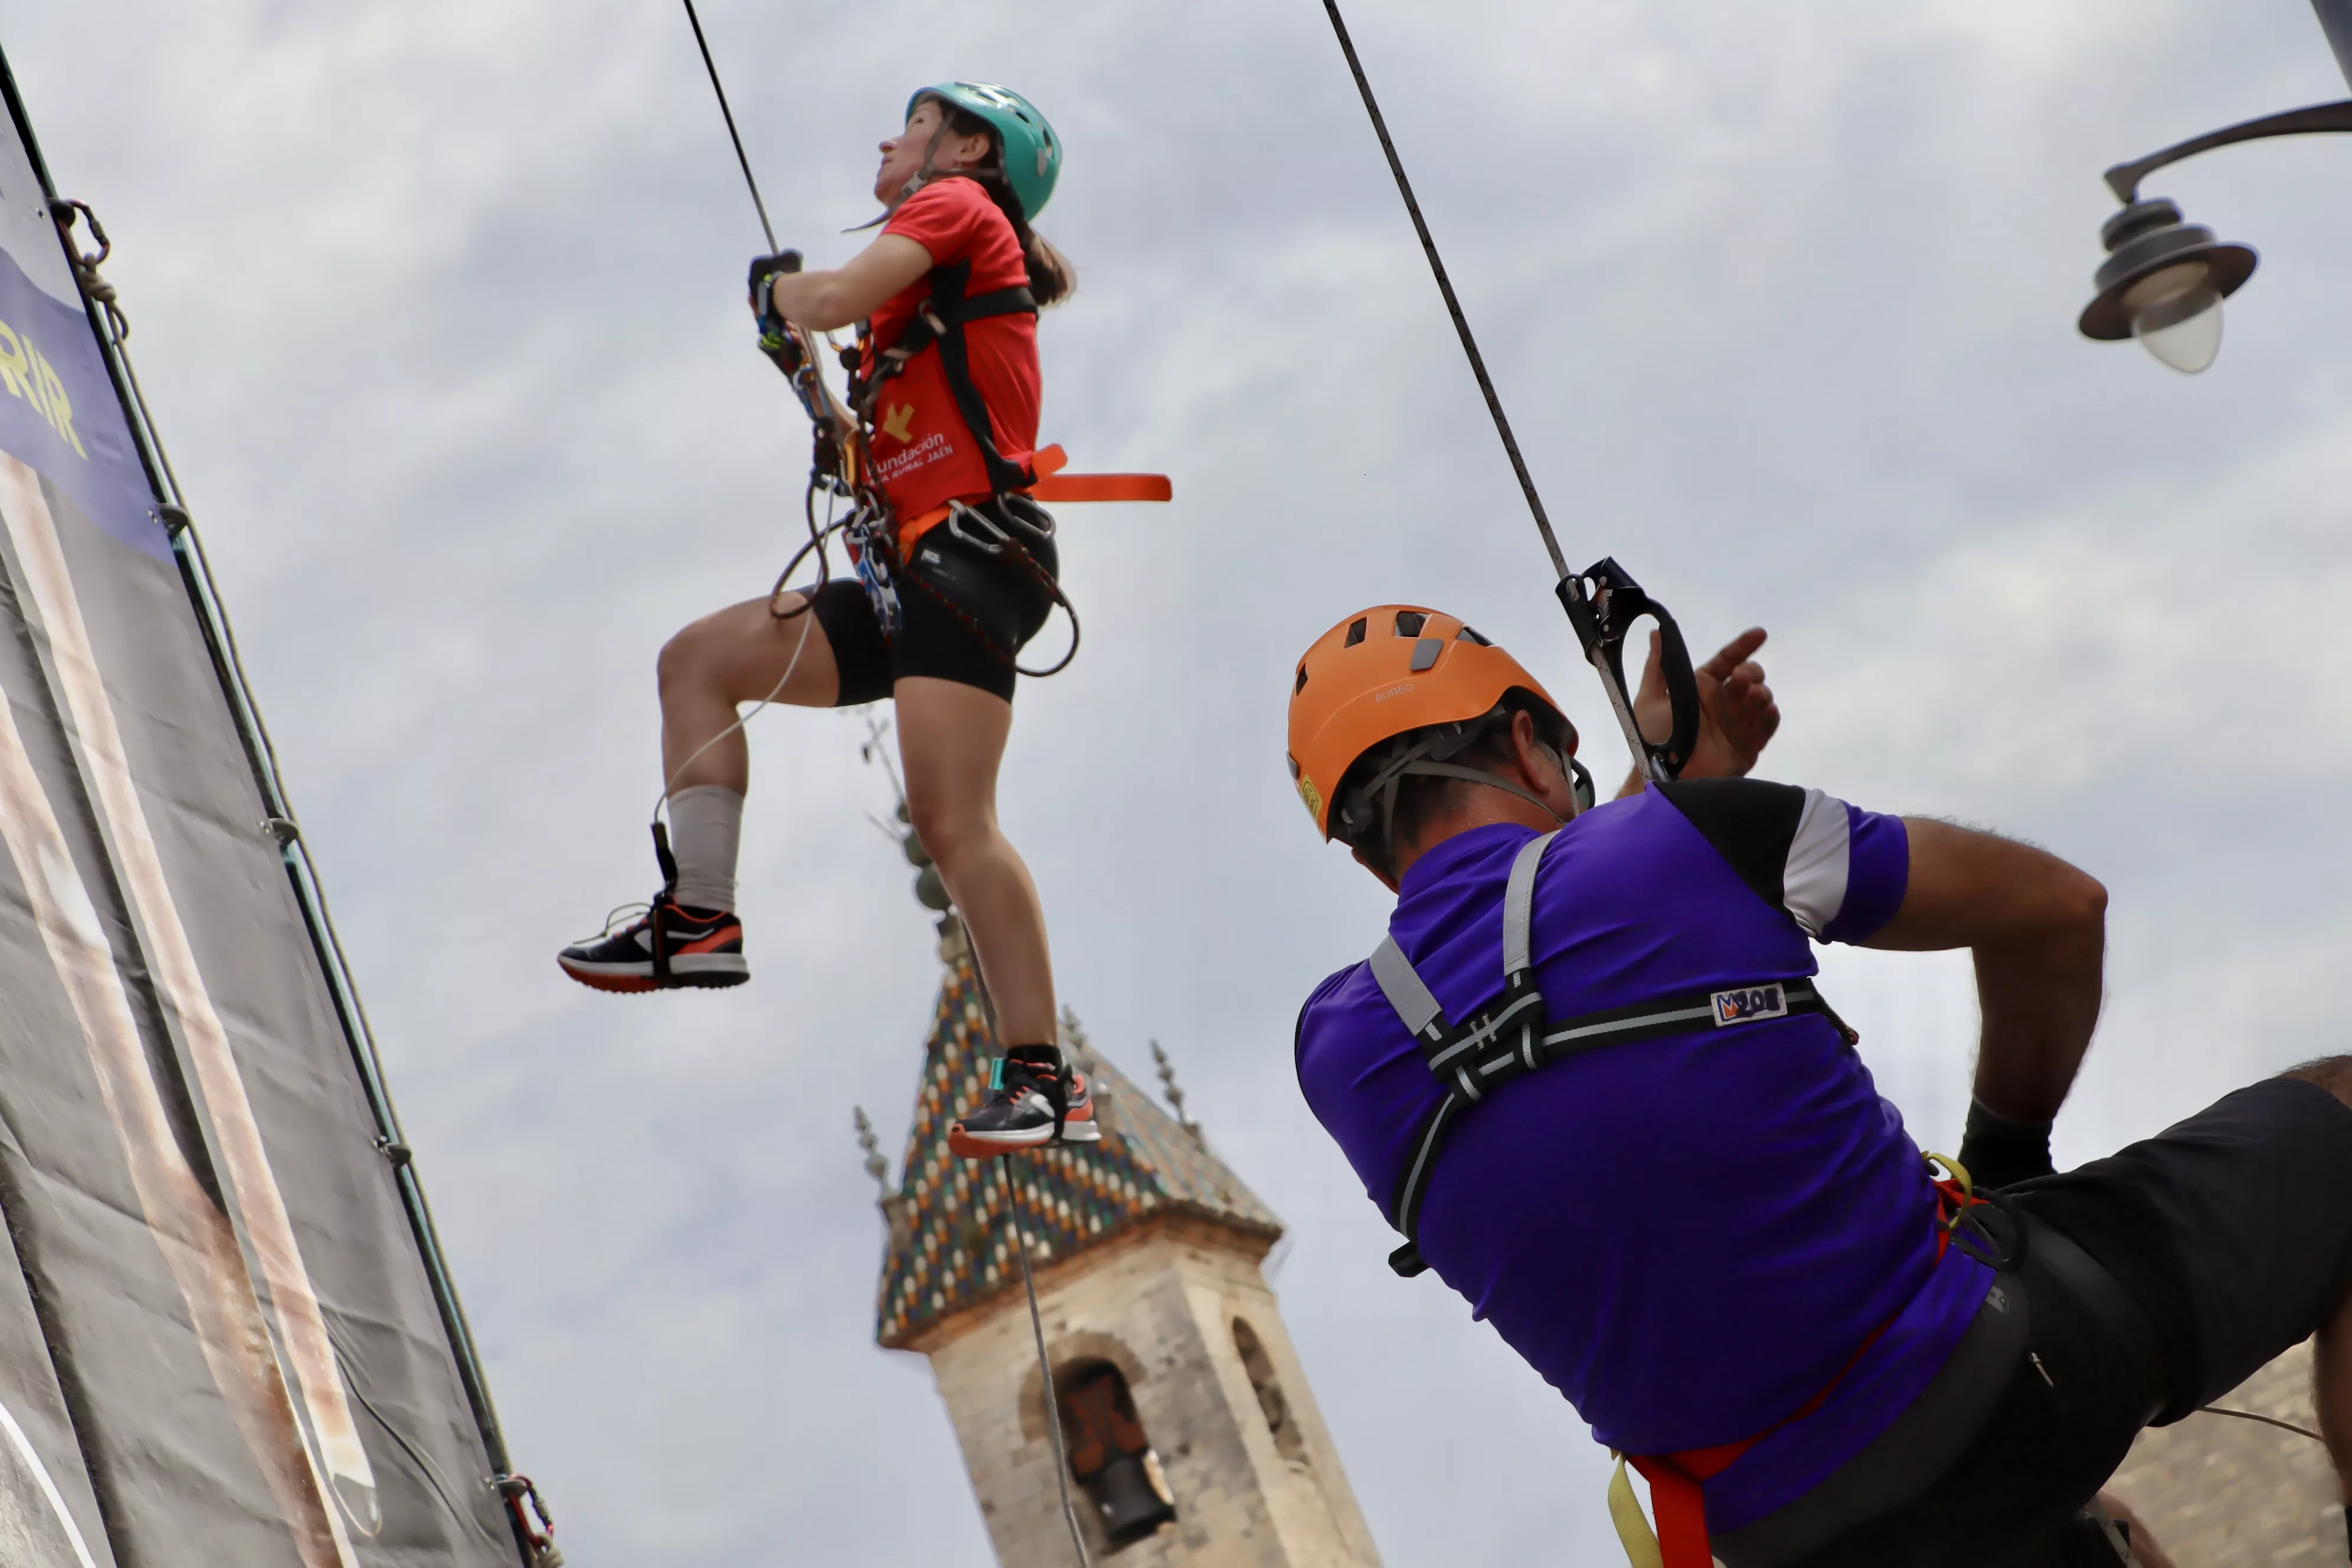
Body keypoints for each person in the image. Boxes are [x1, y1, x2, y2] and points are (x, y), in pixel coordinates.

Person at [1286, 604, 2352, 1566]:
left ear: (1366, 854)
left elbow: (1529, 976)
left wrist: (1662, 783)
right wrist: (2007, 1159)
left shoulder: (1334, 1057)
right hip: (1995, 1387)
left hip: (1782, 1540)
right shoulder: (1692, 837)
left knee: (2098, 1542)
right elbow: (2060, 912)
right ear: (1527, 742)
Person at [558, 83, 1097, 1157]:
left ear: (969, 148)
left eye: (915, 123)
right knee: (699, 662)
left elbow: (836, 293)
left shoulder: (957, 210)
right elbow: (872, 437)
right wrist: (814, 389)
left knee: (954, 822)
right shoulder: (923, 292)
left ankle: (1044, 1077)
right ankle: (699, 913)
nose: (891, 141)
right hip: (916, 566)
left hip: (971, 558)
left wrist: (789, 301)